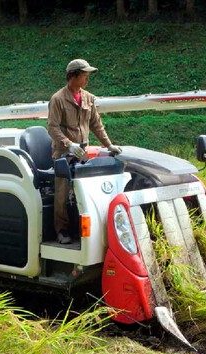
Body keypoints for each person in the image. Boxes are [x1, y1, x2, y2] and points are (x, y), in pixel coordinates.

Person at [47, 59, 122, 245]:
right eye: (84, 75)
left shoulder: (88, 98)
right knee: (63, 192)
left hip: (82, 152)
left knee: (82, 191)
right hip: (63, 154)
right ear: (73, 76)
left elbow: (96, 124)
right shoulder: (58, 99)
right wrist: (68, 143)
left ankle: (81, 227)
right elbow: (52, 127)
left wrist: (108, 145)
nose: (87, 79)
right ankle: (61, 230)